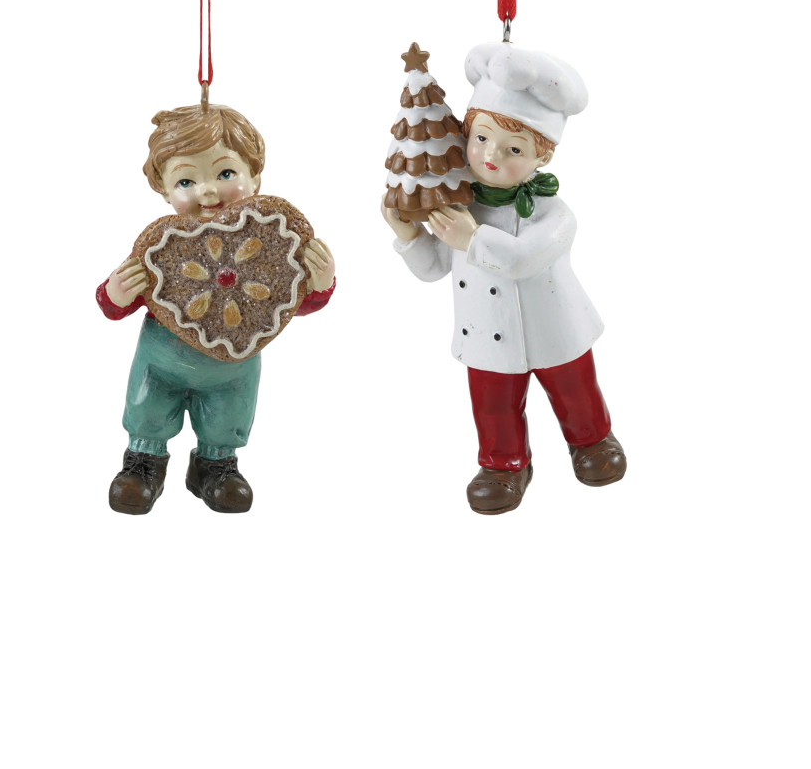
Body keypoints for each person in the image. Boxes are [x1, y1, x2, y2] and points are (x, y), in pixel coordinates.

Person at [384, 41, 626, 514]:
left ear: (542, 156)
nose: (490, 155)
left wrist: (472, 239)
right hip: (485, 332)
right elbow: (434, 269)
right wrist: (409, 235)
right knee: (492, 406)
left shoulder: (554, 215)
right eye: (480, 138)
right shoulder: (460, 207)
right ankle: (504, 464)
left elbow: (520, 259)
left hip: (555, 328)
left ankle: (592, 441)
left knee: (575, 390)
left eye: (513, 148)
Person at [97, 102, 335, 514]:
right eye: (186, 180)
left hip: (234, 369)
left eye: (225, 174)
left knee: (228, 416)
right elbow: (114, 307)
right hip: (161, 363)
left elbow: (291, 301)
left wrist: (320, 281)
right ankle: (143, 464)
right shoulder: (163, 252)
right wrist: (116, 292)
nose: (207, 191)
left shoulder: (274, 245)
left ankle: (216, 467)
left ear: (254, 177)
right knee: (149, 406)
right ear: (164, 190)